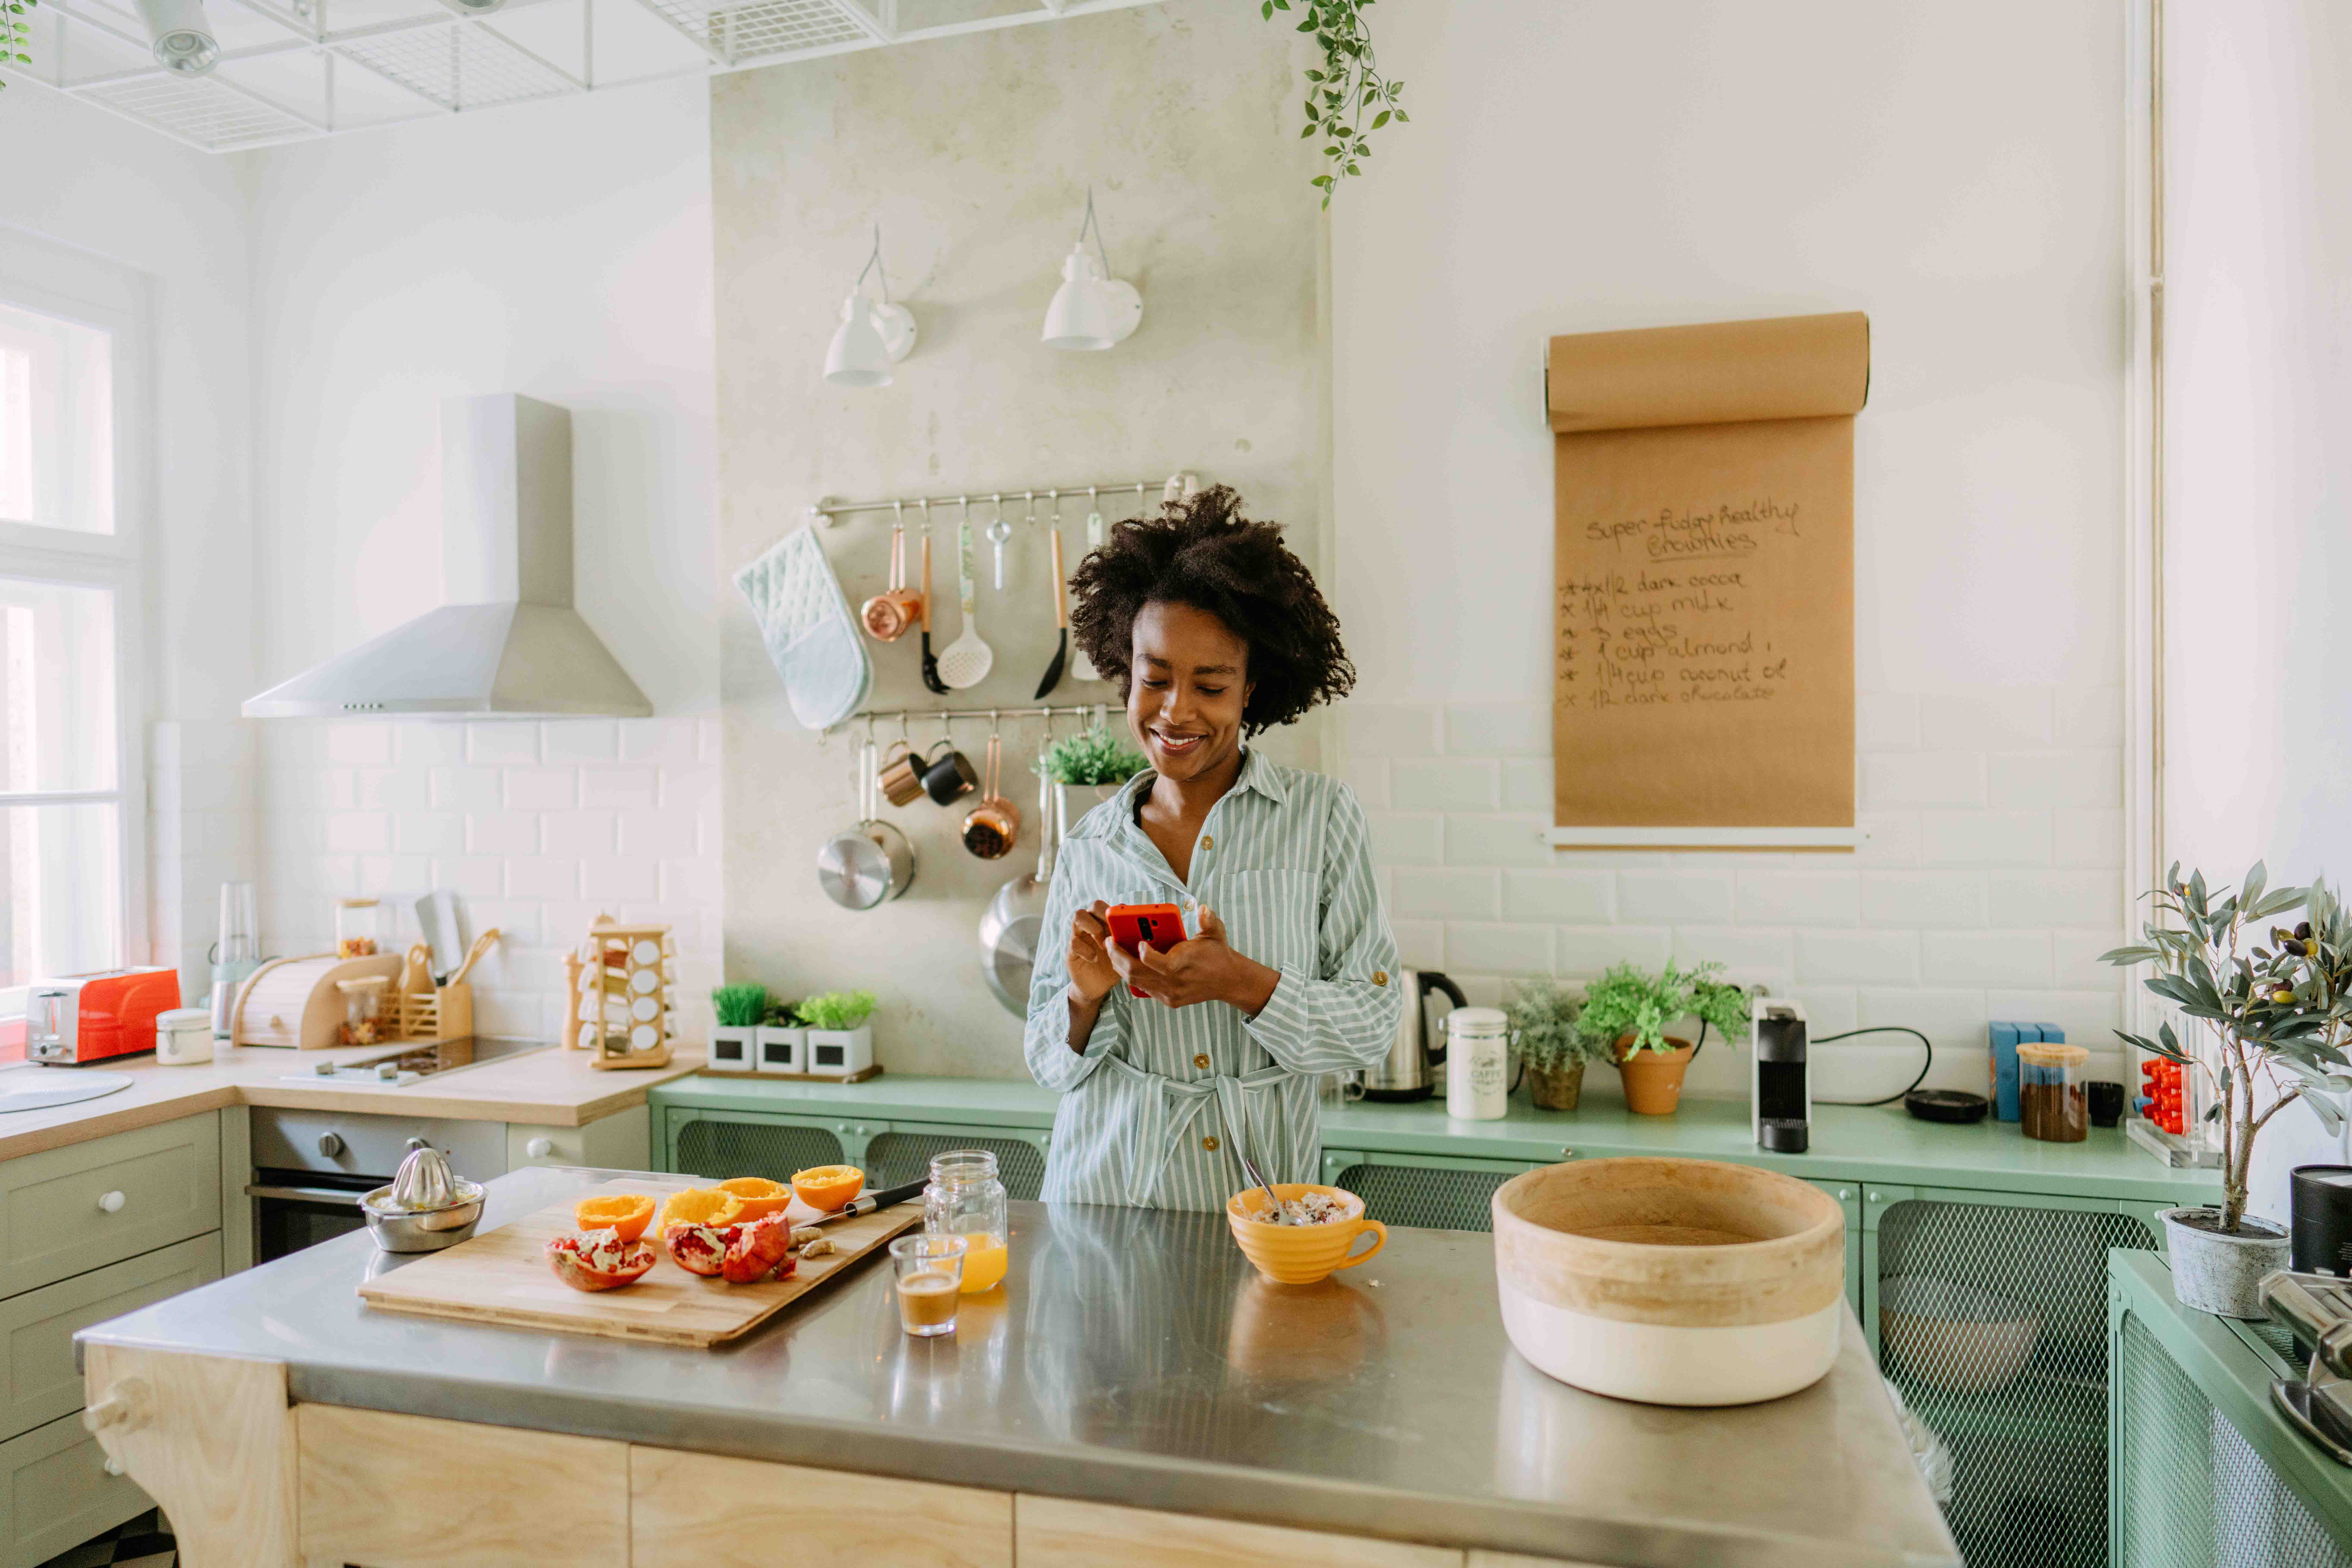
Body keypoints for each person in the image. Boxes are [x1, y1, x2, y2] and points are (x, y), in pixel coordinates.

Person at [1023, 485, 1404, 1210]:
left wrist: (1240, 981)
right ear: (1125, 674)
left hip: (1261, 1204)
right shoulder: (1090, 842)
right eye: (1154, 679)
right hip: (1105, 1199)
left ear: (1250, 692)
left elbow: (1371, 1027)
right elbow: (1047, 1064)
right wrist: (1083, 995)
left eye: (1210, 685)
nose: (1175, 710)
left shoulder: (1322, 819)